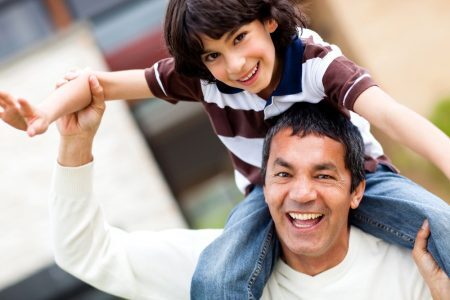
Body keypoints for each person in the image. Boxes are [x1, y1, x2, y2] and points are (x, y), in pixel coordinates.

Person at [0, 0, 449, 298]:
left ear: (269, 20)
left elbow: (391, 115)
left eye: (239, 38)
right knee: (216, 278)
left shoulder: (315, 64)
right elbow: (99, 84)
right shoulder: (205, 79)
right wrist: (43, 112)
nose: (234, 66)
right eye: (213, 55)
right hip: (258, 198)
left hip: (371, 178)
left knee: (444, 227)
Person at [51, 82, 447, 299]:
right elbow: (83, 253)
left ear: (357, 190)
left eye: (324, 176)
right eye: (283, 174)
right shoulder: (217, 267)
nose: (302, 193)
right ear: (262, 185)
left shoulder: (410, 268)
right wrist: (75, 143)